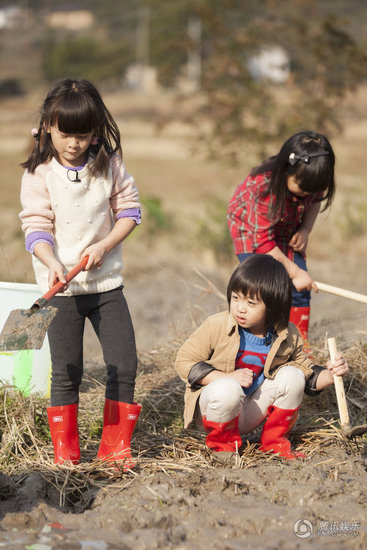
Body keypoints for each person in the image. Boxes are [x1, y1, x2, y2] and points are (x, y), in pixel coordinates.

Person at [19, 78, 141, 468]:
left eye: (83, 135)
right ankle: (65, 457)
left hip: (106, 287)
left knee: (123, 365)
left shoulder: (110, 165)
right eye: (66, 134)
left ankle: (115, 449)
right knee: (66, 372)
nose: (74, 143)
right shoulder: (39, 174)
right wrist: (51, 260)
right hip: (62, 290)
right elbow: (35, 228)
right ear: (48, 127)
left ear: (95, 132)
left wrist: (104, 245)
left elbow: (130, 212)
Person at [175, 255, 348, 459]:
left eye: (251, 302)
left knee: (293, 375)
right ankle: (223, 447)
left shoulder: (287, 333)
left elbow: (306, 373)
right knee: (228, 388)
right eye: (236, 298)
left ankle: (274, 443)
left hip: (251, 409)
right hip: (217, 408)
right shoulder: (217, 325)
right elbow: (184, 362)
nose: (240, 307)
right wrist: (225, 377)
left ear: (272, 305)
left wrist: (330, 374)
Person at [227, 131, 336, 342]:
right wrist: (294, 272)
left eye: (313, 190)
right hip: (252, 236)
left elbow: (315, 201)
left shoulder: (313, 177)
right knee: (262, 291)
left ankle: (298, 346)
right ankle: (256, 342)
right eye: (302, 188)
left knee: (300, 290)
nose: (306, 194)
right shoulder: (263, 187)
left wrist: (305, 230)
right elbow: (263, 241)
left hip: (286, 230)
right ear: (287, 170)